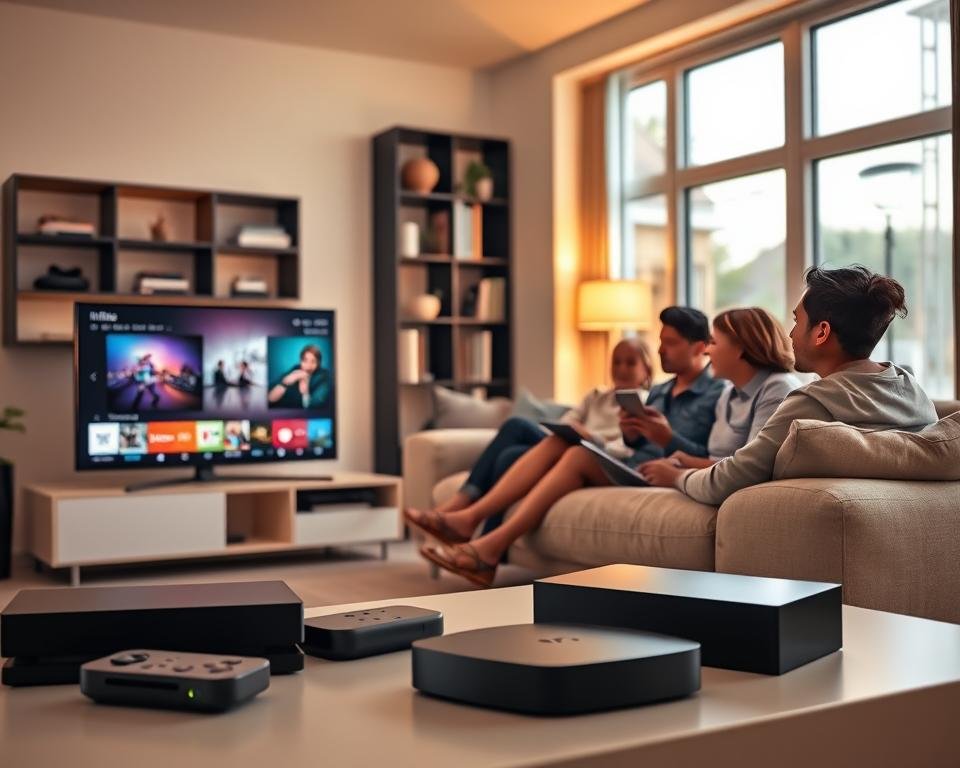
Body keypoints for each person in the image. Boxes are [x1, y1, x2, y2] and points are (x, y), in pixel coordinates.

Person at [417, 306, 727, 587]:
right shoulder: (661, 390)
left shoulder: (715, 394)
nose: (661, 350)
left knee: (577, 453)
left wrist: (666, 438)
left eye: (670, 343)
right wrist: (631, 430)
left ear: (699, 347)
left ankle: (486, 541)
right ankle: (472, 524)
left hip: (656, 473)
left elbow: (709, 454)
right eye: (660, 341)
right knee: (557, 441)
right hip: (633, 463)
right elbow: (636, 443)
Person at [642, 265, 937, 503]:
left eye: (797, 321)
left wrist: (675, 477)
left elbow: (726, 481)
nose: (790, 335)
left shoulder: (811, 403)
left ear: (821, 333)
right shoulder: (913, 392)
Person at [404, 337, 654, 545]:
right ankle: (472, 529)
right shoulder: (597, 396)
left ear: (647, 370)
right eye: (616, 362)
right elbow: (569, 418)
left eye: (630, 363)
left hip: (598, 455)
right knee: (514, 435)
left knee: (510, 452)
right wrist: (572, 430)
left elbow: (627, 447)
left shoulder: (646, 402)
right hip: (568, 443)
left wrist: (593, 438)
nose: (621, 368)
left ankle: (470, 524)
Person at [640, 307, 801, 479]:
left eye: (713, 342)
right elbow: (718, 460)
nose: (707, 351)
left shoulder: (778, 388)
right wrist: (683, 461)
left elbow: (750, 468)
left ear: (740, 348)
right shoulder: (727, 394)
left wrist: (677, 475)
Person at [268, 344, 331, 408]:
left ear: (318, 363)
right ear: (300, 361)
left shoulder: (324, 377)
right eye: (305, 360)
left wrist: (305, 392)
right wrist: (286, 382)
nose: (308, 366)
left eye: (313, 361)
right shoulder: (296, 369)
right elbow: (270, 398)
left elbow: (313, 409)